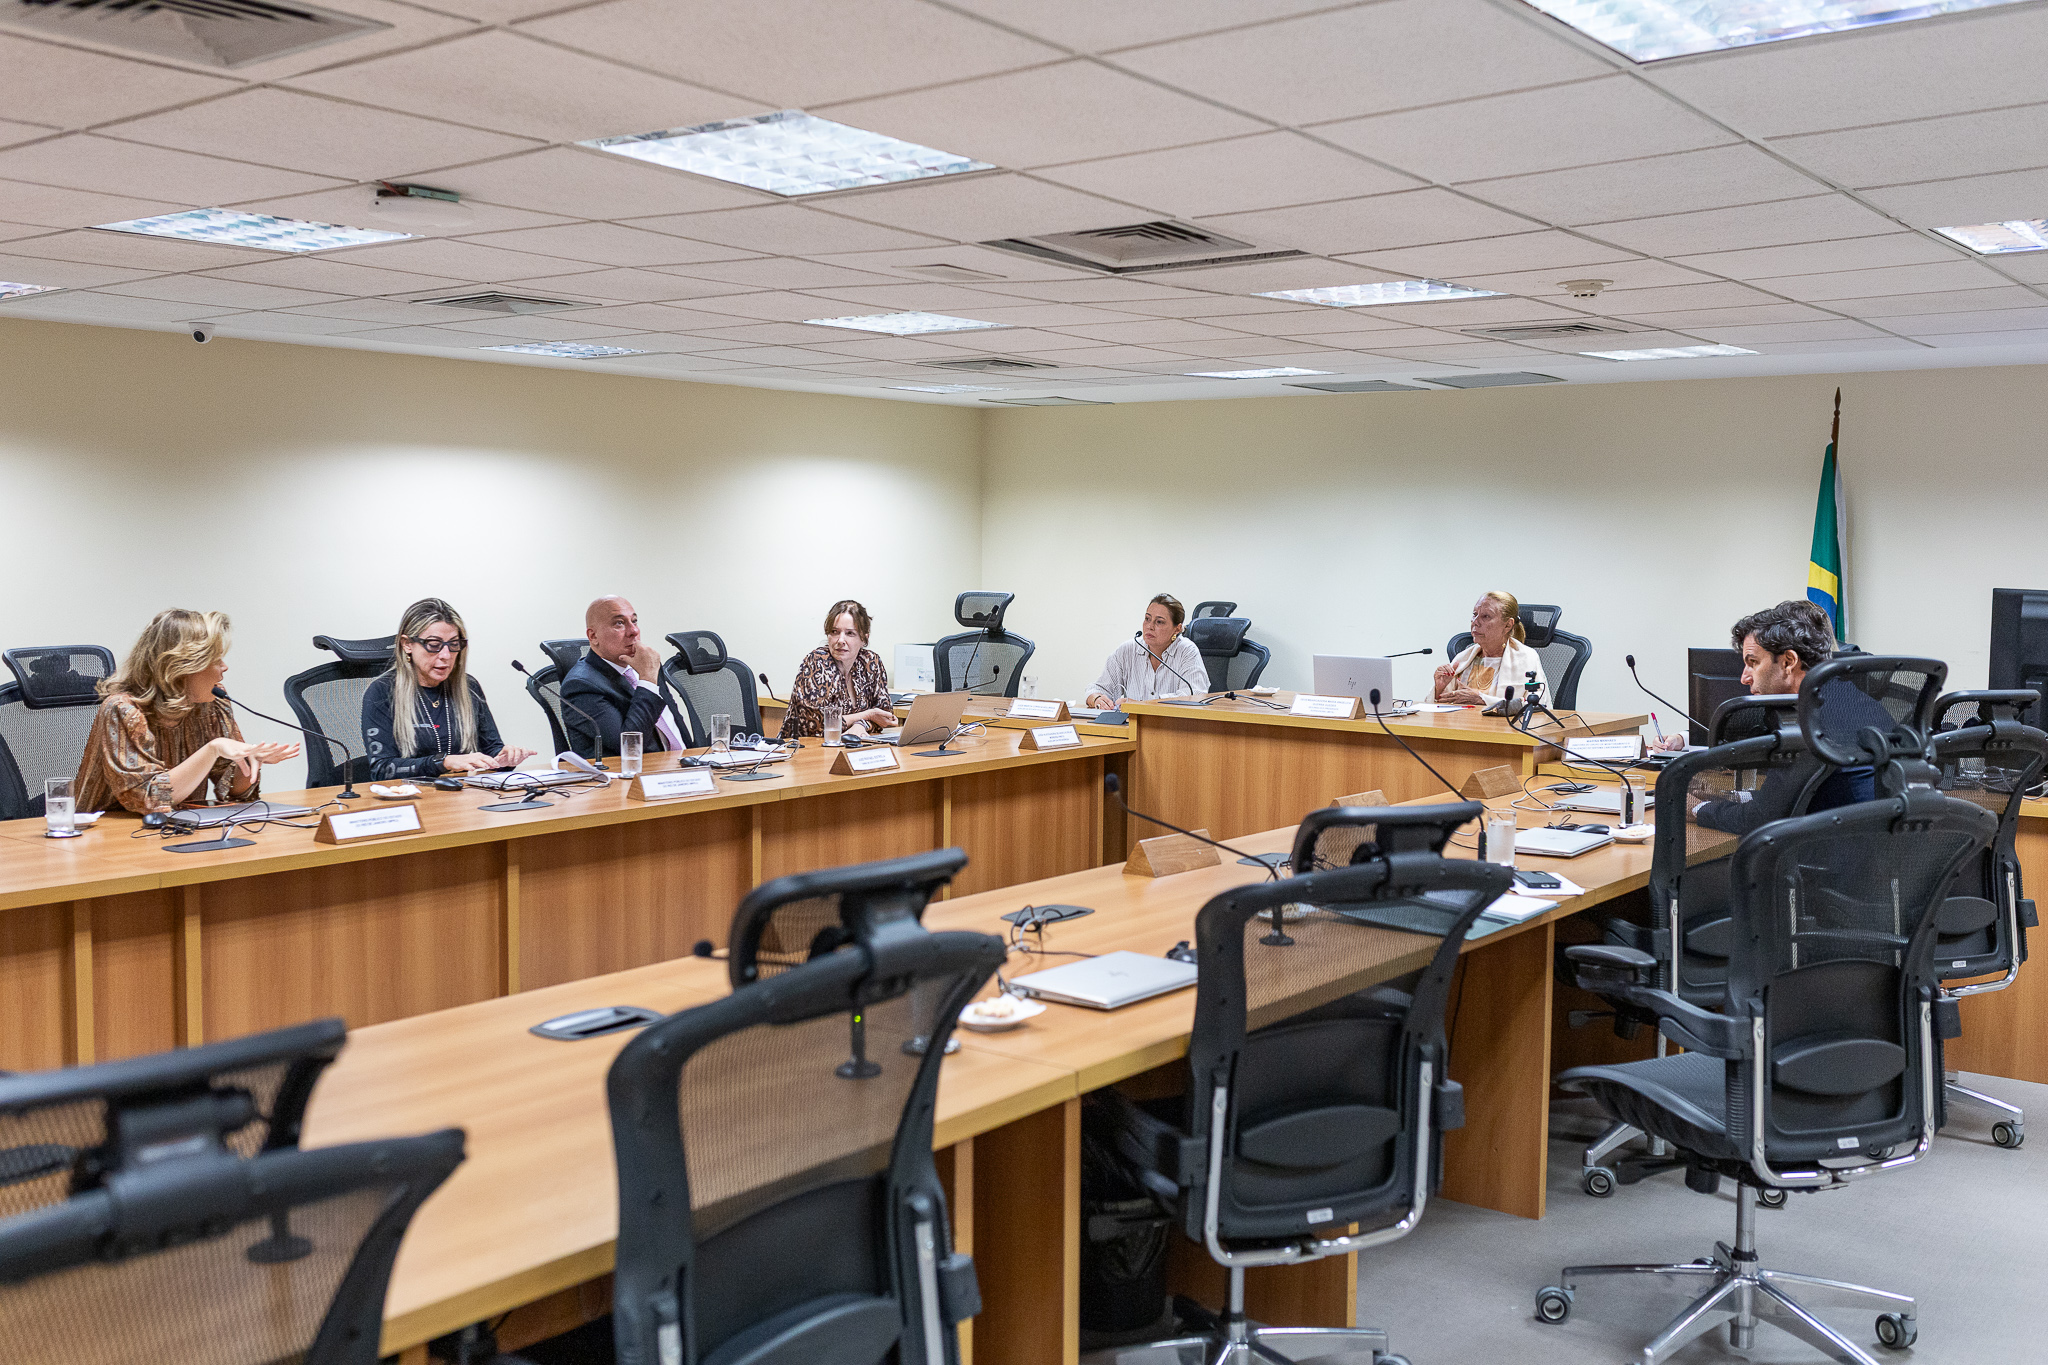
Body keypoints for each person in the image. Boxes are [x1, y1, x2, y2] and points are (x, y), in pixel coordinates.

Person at [1667, 599, 1892, 833]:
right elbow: (1792, 794)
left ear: (1788, 662)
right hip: (1871, 849)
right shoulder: (1849, 698)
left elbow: (1759, 819)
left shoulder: (1809, 721)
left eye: (1752, 662)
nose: (1744, 678)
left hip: (1835, 858)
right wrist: (1729, 795)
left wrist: (1698, 808)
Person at [73, 609, 298, 814]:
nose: (224, 667)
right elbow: (149, 800)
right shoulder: (123, 709)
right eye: (215, 658)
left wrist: (248, 764)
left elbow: (232, 791)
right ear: (182, 666)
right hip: (108, 841)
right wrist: (212, 750)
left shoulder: (212, 703)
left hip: (178, 829)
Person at [361, 598, 533, 781]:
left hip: (463, 796)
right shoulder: (381, 691)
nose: (446, 656)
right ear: (407, 644)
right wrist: (443, 762)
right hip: (412, 799)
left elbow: (492, 749)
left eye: (454, 645)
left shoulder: (468, 687)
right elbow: (381, 769)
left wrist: (504, 758)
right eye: (434, 645)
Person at [561, 595, 687, 761]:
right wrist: (647, 680)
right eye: (619, 623)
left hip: (682, 768)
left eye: (634, 621)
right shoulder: (580, 686)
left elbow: (675, 725)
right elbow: (629, 747)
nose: (634, 631)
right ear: (593, 636)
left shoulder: (645, 664)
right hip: (629, 779)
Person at [779, 599, 895, 740]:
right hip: (806, 749)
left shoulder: (871, 662)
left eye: (850, 633)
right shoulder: (816, 662)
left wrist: (860, 725)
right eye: (835, 632)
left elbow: (885, 716)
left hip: (852, 749)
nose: (840, 640)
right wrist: (868, 715)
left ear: (864, 638)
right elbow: (818, 724)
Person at [1085, 594, 1205, 709]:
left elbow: (1195, 695)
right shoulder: (1128, 650)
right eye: (1147, 619)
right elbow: (1099, 689)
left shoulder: (1187, 651)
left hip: (1174, 726)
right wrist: (1097, 699)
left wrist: (1143, 706)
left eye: (1159, 622)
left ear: (1177, 629)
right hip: (1131, 726)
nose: (1150, 626)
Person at [1435, 591, 1548, 705]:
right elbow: (1441, 709)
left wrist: (1482, 700)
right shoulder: (1464, 658)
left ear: (1508, 625)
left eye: (1486, 616)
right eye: (1475, 614)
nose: (1475, 622)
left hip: (1504, 723)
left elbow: (1537, 708)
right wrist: (1439, 689)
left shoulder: (1526, 658)